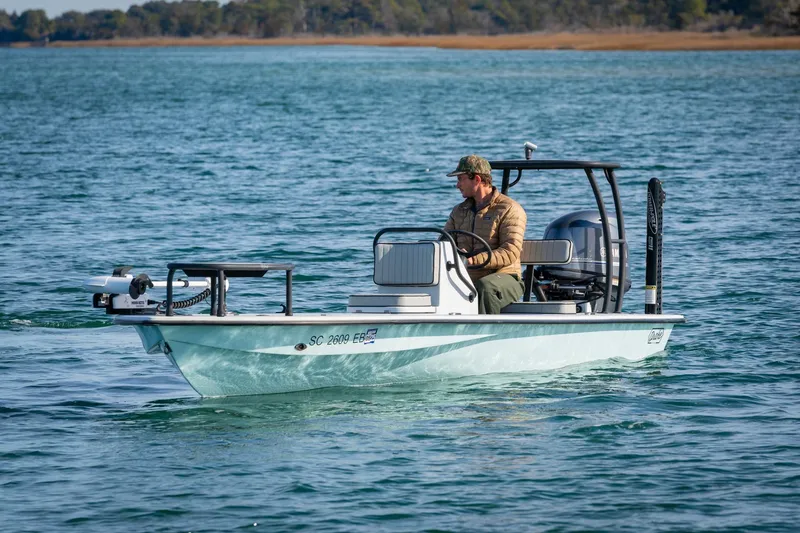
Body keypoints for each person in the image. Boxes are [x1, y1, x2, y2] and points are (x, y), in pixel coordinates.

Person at [443, 154, 527, 314]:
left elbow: (510, 251)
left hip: (506, 277)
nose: (457, 185)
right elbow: (444, 243)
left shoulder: (510, 209)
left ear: (477, 179)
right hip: (467, 275)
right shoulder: (459, 211)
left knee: (486, 287)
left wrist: (473, 260)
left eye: (460, 179)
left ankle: (483, 335)